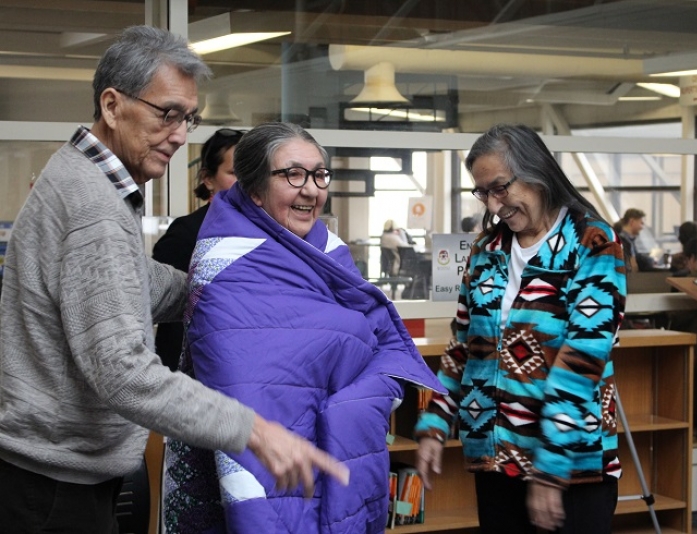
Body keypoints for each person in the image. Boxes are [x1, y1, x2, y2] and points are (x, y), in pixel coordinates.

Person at [0, 26, 348, 533]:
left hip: (52, 477)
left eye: (189, 118)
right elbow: (124, 372)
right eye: (167, 114)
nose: (181, 135)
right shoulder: (93, 207)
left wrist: (225, 292)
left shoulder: (81, 178)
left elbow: (135, 281)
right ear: (113, 105)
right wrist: (255, 431)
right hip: (53, 490)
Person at [163, 122, 444, 533]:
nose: (310, 189)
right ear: (255, 188)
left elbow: (376, 339)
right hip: (262, 457)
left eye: (319, 175)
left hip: (329, 449)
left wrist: (361, 394)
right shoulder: (225, 264)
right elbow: (244, 379)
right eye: (293, 174)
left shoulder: (328, 250)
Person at [414, 124, 627, 533]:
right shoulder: (485, 251)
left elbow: (583, 360)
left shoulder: (592, 243)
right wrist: (435, 423)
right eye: (483, 193)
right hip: (495, 458)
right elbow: (462, 345)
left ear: (536, 173)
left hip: (569, 466)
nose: (494, 205)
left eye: (500, 188)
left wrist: (548, 468)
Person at [152, 127, 244, 371]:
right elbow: (164, 310)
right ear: (207, 178)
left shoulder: (269, 233)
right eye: (235, 172)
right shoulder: (186, 232)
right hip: (192, 376)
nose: (246, 182)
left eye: (253, 172)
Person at [615, 208, 651, 272]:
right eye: (641, 223)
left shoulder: (627, 240)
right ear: (632, 222)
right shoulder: (625, 242)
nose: (642, 227)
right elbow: (632, 267)